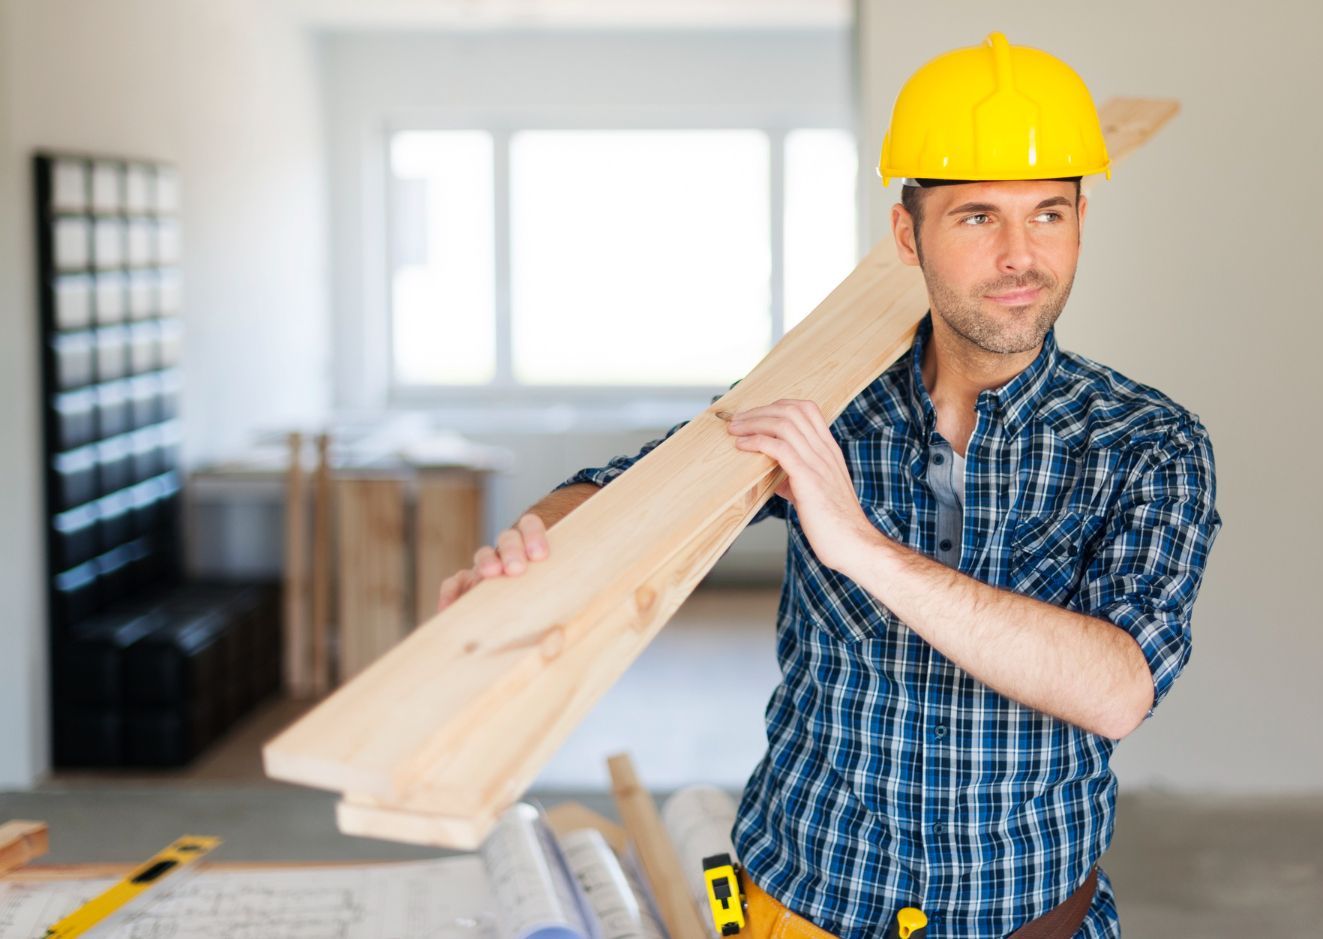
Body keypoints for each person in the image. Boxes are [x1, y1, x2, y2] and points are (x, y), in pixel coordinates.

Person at [440, 33, 1221, 939]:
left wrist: (859, 545)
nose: (1020, 256)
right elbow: (625, 491)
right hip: (796, 904)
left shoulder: (1149, 442)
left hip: (1025, 916)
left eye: (1048, 213)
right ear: (907, 232)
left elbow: (1117, 688)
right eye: (977, 218)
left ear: (1082, 220)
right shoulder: (823, 404)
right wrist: (536, 549)